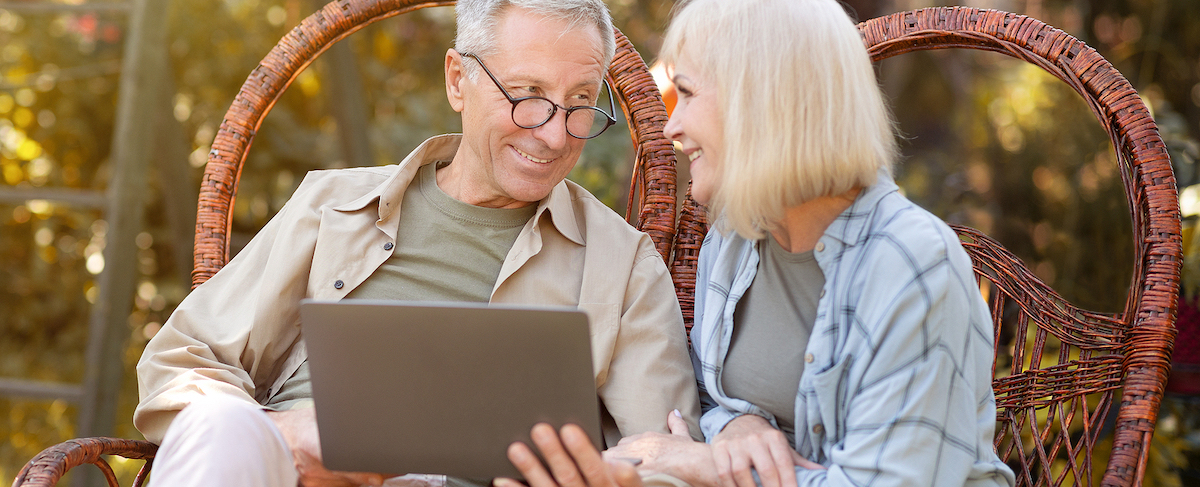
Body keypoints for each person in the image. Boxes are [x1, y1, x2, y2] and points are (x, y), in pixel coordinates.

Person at [133, 1, 702, 486]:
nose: (554, 134)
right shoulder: (331, 206)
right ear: (459, 79)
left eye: (580, 102)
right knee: (222, 425)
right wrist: (286, 433)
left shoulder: (624, 265)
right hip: (295, 471)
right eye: (528, 94)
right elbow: (182, 360)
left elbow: (668, 455)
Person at [503, 0, 1018, 486]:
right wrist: (734, 426)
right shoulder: (732, 238)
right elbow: (710, 396)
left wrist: (708, 466)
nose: (673, 126)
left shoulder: (911, 266)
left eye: (687, 93)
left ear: (764, 101)